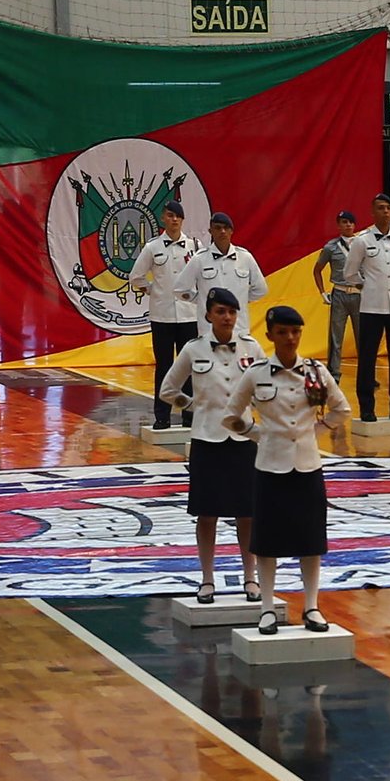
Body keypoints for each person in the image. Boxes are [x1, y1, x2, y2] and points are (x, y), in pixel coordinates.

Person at [226, 304, 350, 633]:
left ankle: (311, 606)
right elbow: (231, 415)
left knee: (311, 540)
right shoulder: (256, 373)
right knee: (267, 540)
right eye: (282, 332)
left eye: (295, 332)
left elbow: (342, 409)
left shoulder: (316, 372)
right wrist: (259, 435)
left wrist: (317, 431)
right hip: (270, 467)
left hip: (308, 465)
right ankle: (267, 607)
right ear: (270, 335)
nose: (290, 338)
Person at [158, 288, 261, 605]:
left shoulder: (252, 347)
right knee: (207, 514)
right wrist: (195, 406)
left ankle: (251, 578)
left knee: (248, 514)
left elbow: (266, 389)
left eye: (231, 311)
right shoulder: (194, 349)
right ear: (208, 315)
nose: (227, 317)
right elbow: (167, 390)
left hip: (244, 440)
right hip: (207, 440)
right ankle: (206, 579)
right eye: (220, 312)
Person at [128, 204, 206, 427]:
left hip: (189, 315)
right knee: (164, 366)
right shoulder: (153, 247)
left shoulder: (195, 246)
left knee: (189, 367)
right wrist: (152, 290)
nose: (174, 220)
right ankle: (162, 416)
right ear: (163, 218)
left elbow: (202, 276)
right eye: (170, 216)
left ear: (182, 220)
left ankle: (190, 416)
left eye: (178, 216)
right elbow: (136, 276)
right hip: (162, 316)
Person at [344, 198, 390, 423]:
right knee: (367, 357)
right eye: (381, 208)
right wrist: (366, 286)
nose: (385, 212)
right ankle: (366, 407)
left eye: (389, 208)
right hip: (372, 306)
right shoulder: (362, 240)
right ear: (372, 212)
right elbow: (350, 272)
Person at [313, 208, 362, 378]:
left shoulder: (362, 244)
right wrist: (322, 293)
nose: (348, 225)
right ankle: (334, 372)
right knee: (336, 336)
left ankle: (366, 373)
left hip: (359, 294)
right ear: (338, 226)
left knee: (363, 336)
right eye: (344, 222)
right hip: (339, 294)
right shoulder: (330, 247)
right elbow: (317, 270)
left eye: (351, 222)